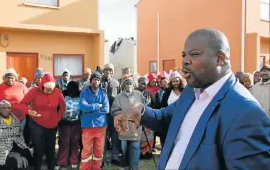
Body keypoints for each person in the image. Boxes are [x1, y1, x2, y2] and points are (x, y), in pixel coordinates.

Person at [114, 28, 270, 169]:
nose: (185, 61)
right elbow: (166, 118)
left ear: (220, 58)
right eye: (184, 55)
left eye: (194, 54)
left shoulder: (246, 113)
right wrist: (141, 111)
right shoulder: (191, 91)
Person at [20, 73, 66, 170]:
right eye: (47, 89)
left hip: (52, 124)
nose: (49, 91)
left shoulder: (57, 92)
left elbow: (63, 106)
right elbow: (22, 104)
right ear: (42, 86)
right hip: (37, 123)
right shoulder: (34, 91)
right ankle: (37, 167)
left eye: (51, 90)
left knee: (51, 148)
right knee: (39, 148)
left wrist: (58, 118)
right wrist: (29, 111)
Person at [0, 100, 32, 170]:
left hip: (15, 145)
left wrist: (22, 144)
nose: (6, 109)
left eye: (8, 108)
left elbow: (20, 134)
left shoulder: (15, 119)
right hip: (0, 147)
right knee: (15, 160)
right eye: (4, 108)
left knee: (27, 155)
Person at [111, 75, 144, 170]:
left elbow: (144, 107)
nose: (128, 85)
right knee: (124, 150)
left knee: (135, 148)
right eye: (126, 84)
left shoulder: (139, 94)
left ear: (133, 85)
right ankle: (126, 166)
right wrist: (123, 114)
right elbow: (114, 110)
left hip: (136, 128)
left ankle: (134, 167)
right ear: (123, 86)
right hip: (123, 128)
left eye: (130, 83)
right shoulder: (118, 97)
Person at [79, 71, 109, 170]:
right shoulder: (84, 91)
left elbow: (106, 109)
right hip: (87, 125)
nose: (96, 81)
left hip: (100, 126)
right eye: (95, 79)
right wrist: (97, 106)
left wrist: (89, 109)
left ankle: (96, 167)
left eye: (98, 80)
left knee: (99, 150)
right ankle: (85, 168)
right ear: (91, 80)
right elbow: (82, 107)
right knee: (87, 150)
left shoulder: (103, 93)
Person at [55, 81, 82, 170]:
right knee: (64, 142)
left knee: (75, 142)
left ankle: (74, 160)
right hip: (64, 123)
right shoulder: (63, 94)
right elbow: (58, 107)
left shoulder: (80, 95)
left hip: (77, 123)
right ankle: (61, 161)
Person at [100, 63, 120, 166]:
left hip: (114, 114)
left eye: (110, 70)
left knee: (115, 136)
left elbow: (120, 97)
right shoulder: (98, 82)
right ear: (103, 71)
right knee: (103, 137)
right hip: (102, 114)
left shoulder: (116, 83)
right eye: (106, 70)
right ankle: (101, 158)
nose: (108, 72)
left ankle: (115, 157)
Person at [136, 77, 156, 159]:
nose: (143, 85)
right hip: (136, 118)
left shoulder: (149, 93)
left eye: (145, 84)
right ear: (138, 82)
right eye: (142, 83)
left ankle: (148, 153)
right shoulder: (134, 92)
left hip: (148, 118)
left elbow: (155, 104)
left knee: (148, 137)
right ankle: (139, 154)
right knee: (139, 137)